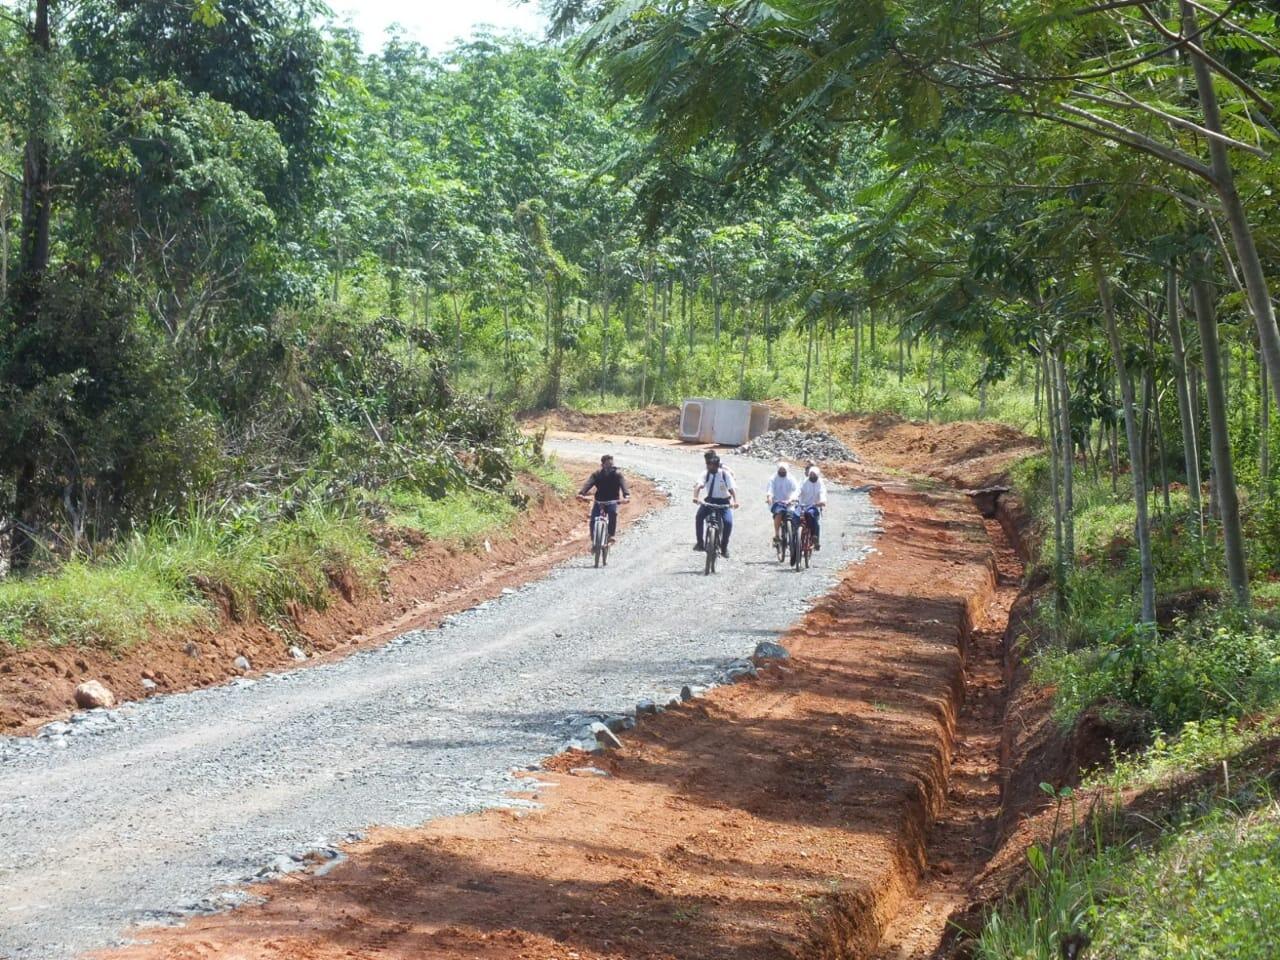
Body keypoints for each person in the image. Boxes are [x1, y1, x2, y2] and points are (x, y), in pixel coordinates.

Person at [693, 450, 738, 557]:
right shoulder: (705, 473)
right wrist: (695, 496)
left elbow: (732, 489)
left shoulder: (724, 474)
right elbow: (699, 485)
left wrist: (735, 501)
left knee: (728, 523)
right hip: (710, 500)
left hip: (724, 502)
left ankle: (724, 547)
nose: (709, 467)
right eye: (708, 465)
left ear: (717, 466)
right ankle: (700, 543)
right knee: (699, 517)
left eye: (711, 466)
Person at [577, 454, 630, 543]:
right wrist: (581, 493)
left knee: (613, 514)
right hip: (599, 501)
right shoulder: (597, 474)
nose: (610, 467)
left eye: (611, 465)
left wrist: (626, 496)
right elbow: (589, 483)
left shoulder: (617, 475)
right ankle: (594, 542)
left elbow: (623, 485)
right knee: (593, 521)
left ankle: (611, 535)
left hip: (612, 501)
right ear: (602, 465)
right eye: (607, 465)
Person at [765, 462, 800, 546]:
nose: (782, 471)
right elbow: (770, 489)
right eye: (780, 470)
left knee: (793, 516)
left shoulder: (791, 478)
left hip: (789, 502)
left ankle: (794, 535)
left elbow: (796, 489)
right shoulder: (773, 478)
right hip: (777, 502)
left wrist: (792, 499)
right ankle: (777, 535)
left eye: (784, 470)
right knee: (779, 513)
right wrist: (769, 497)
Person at [798, 465, 828, 550]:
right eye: (811, 475)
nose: (812, 476)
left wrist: (822, 501)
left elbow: (822, 493)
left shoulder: (820, 483)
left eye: (814, 475)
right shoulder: (804, 482)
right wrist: (794, 498)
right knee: (794, 518)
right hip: (802, 505)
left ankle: (814, 537)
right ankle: (794, 540)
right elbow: (799, 490)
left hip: (814, 506)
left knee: (810, 514)